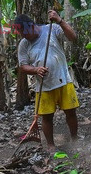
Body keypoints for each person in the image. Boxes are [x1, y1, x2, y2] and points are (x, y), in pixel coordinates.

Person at [15, 10, 78, 151]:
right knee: (47, 117)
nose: (23, 36)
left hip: (63, 80)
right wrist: (35, 70)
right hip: (44, 86)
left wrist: (59, 20)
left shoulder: (52, 29)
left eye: (25, 33)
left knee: (71, 112)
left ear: (31, 26)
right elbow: (23, 66)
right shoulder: (24, 44)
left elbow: (73, 37)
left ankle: (74, 140)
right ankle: (50, 145)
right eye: (21, 34)